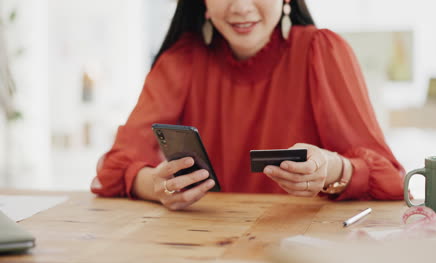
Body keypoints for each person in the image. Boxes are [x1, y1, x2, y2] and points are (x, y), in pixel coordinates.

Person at [91, 0, 405, 210]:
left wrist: (334, 169)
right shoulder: (181, 61)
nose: (241, 7)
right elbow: (114, 168)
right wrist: (154, 185)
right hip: (205, 248)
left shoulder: (321, 52)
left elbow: (391, 180)